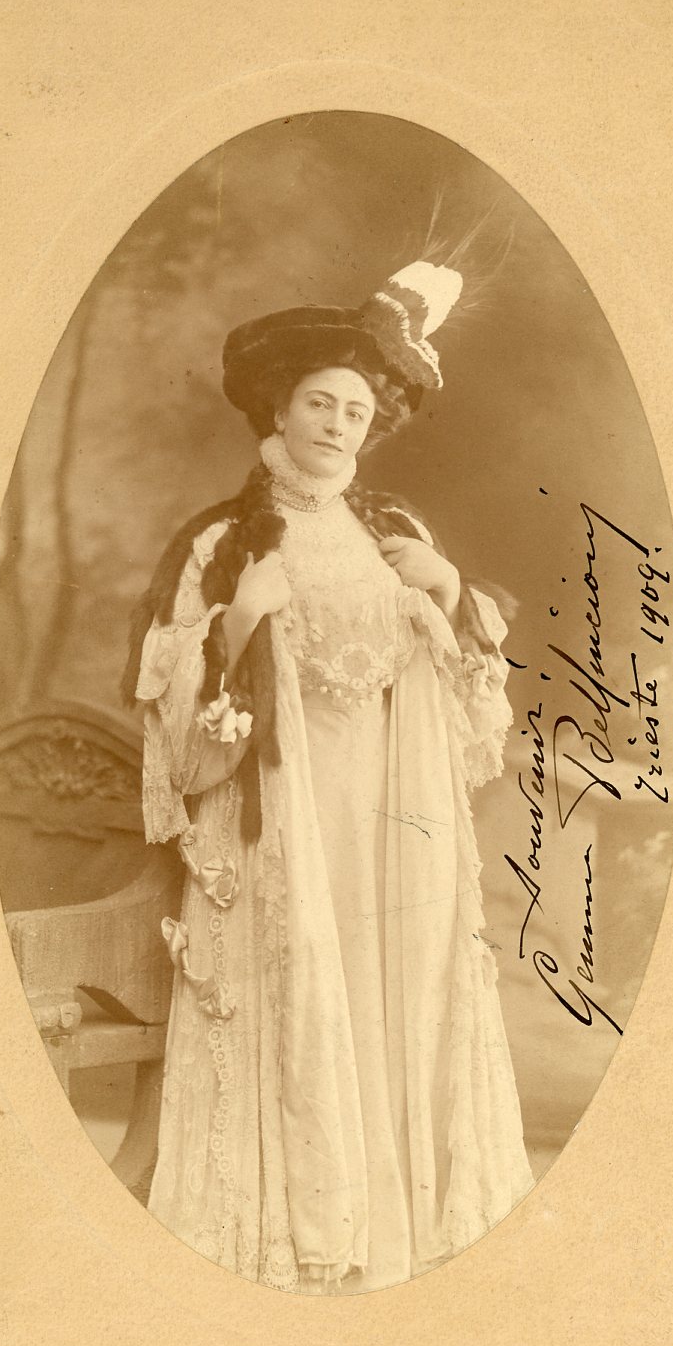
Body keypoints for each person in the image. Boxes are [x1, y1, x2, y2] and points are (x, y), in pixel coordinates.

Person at [123, 260, 534, 1293]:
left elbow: (467, 710)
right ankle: (301, 1223)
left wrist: (451, 591)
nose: (337, 425)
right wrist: (241, 618)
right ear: (280, 408)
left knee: (393, 987)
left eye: (354, 410)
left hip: (391, 821)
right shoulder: (223, 543)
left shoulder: (396, 534)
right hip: (281, 820)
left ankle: (392, 1218)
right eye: (319, 403)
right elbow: (176, 719)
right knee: (302, 984)